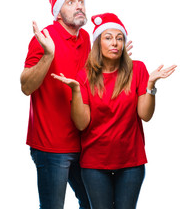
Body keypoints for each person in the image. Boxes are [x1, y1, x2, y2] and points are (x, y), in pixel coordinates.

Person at [52, 12, 176, 209]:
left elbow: (145, 115)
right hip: (94, 165)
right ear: (98, 44)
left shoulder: (138, 69)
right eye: (108, 38)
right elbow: (82, 123)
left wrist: (150, 85)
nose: (115, 43)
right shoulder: (84, 76)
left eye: (119, 38)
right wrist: (76, 91)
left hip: (131, 163)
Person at [20, 0, 92, 209]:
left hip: (83, 142)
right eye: (70, 2)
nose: (78, 6)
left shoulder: (87, 39)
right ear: (58, 12)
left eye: (80, 1)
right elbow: (26, 86)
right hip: (51, 145)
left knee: (93, 203)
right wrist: (48, 55)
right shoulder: (45, 38)